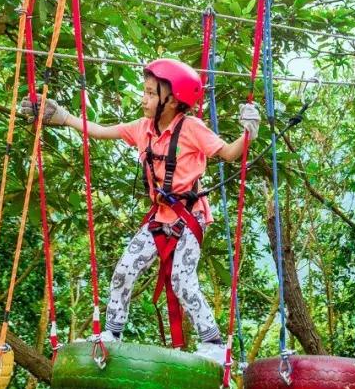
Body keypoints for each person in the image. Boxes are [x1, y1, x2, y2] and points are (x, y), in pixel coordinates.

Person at [22, 58, 260, 363]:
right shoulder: (142, 129)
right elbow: (100, 130)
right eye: (144, 92)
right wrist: (65, 118)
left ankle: (212, 342)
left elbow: (228, 153)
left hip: (189, 216)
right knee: (124, 270)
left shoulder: (191, 129)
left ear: (171, 100)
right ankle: (112, 332)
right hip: (159, 216)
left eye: (150, 93)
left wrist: (248, 134)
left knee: (182, 280)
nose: (143, 99)